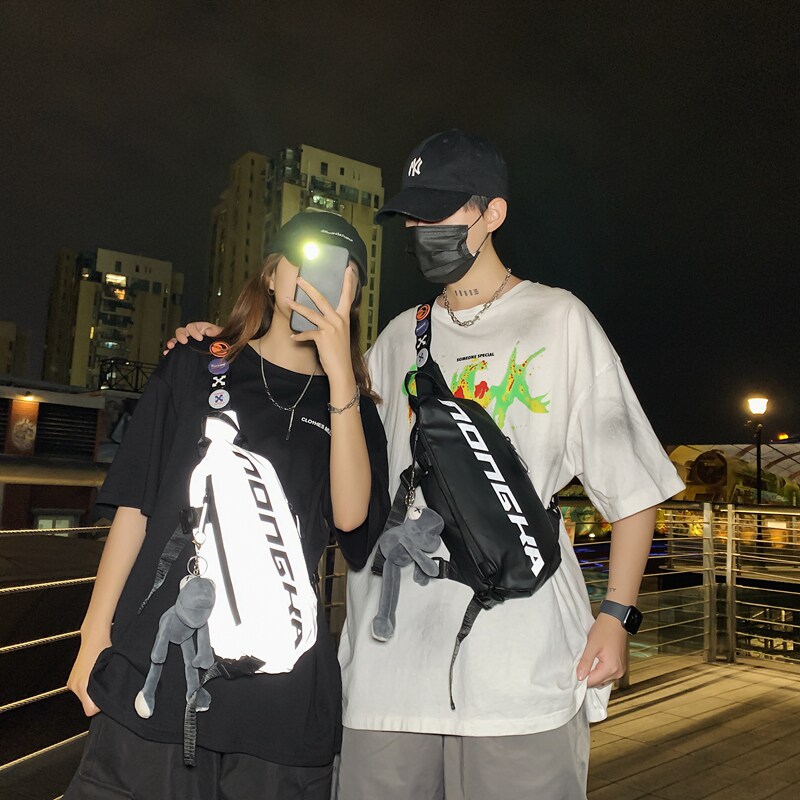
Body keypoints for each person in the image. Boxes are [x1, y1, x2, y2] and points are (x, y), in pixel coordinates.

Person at [173, 130, 684, 800]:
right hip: (388, 674)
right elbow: (316, 428)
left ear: (492, 213)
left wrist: (616, 615)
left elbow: (632, 485)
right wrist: (226, 349)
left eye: (438, 210)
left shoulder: (559, 320)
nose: (420, 229)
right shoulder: (397, 337)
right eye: (411, 215)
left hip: (519, 668)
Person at [65, 210, 390, 800]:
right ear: (270, 273)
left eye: (341, 271)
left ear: (354, 296)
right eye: (304, 260)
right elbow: (137, 507)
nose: (315, 280)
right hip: (158, 672)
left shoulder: (355, 409)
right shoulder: (195, 363)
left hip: (280, 694)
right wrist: (94, 634)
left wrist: (342, 377)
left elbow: (350, 518)